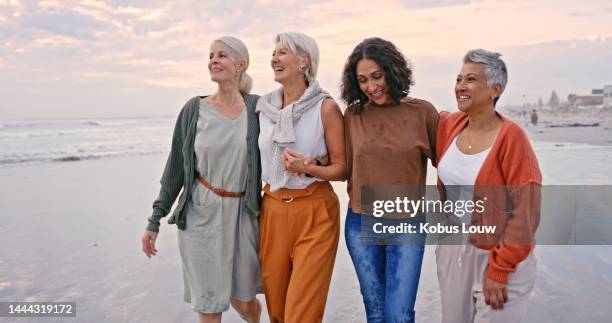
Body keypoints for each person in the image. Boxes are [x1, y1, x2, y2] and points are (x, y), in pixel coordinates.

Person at [141, 36, 263, 323]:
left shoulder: (258, 108)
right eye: (211, 56)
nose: (213, 61)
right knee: (209, 305)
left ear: (240, 65)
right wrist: (155, 218)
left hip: (244, 215)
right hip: (201, 215)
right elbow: (174, 171)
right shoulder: (194, 109)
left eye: (222, 55)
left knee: (244, 302)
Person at [435, 49, 541, 323]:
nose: (460, 87)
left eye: (470, 80)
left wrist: (500, 269)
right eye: (458, 79)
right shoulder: (450, 125)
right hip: (454, 249)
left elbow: (526, 212)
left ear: (495, 89)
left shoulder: (511, 138)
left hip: (498, 255)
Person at [341, 37, 439, 323]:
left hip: (407, 225)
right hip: (360, 223)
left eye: (376, 76)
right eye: (362, 80)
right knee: (376, 313)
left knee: (398, 314)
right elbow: (341, 165)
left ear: (392, 70)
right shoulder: (353, 115)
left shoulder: (423, 113)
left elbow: (448, 165)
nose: (371, 87)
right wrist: (307, 165)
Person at [256, 32, 346, 323]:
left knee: (302, 313)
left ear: (303, 61)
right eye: (273, 53)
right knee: (278, 312)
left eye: (282, 52)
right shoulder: (262, 109)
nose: (274, 58)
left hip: (315, 211)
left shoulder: (326, 107)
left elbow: (342, 168)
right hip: (272, 209)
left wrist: (310, 167)